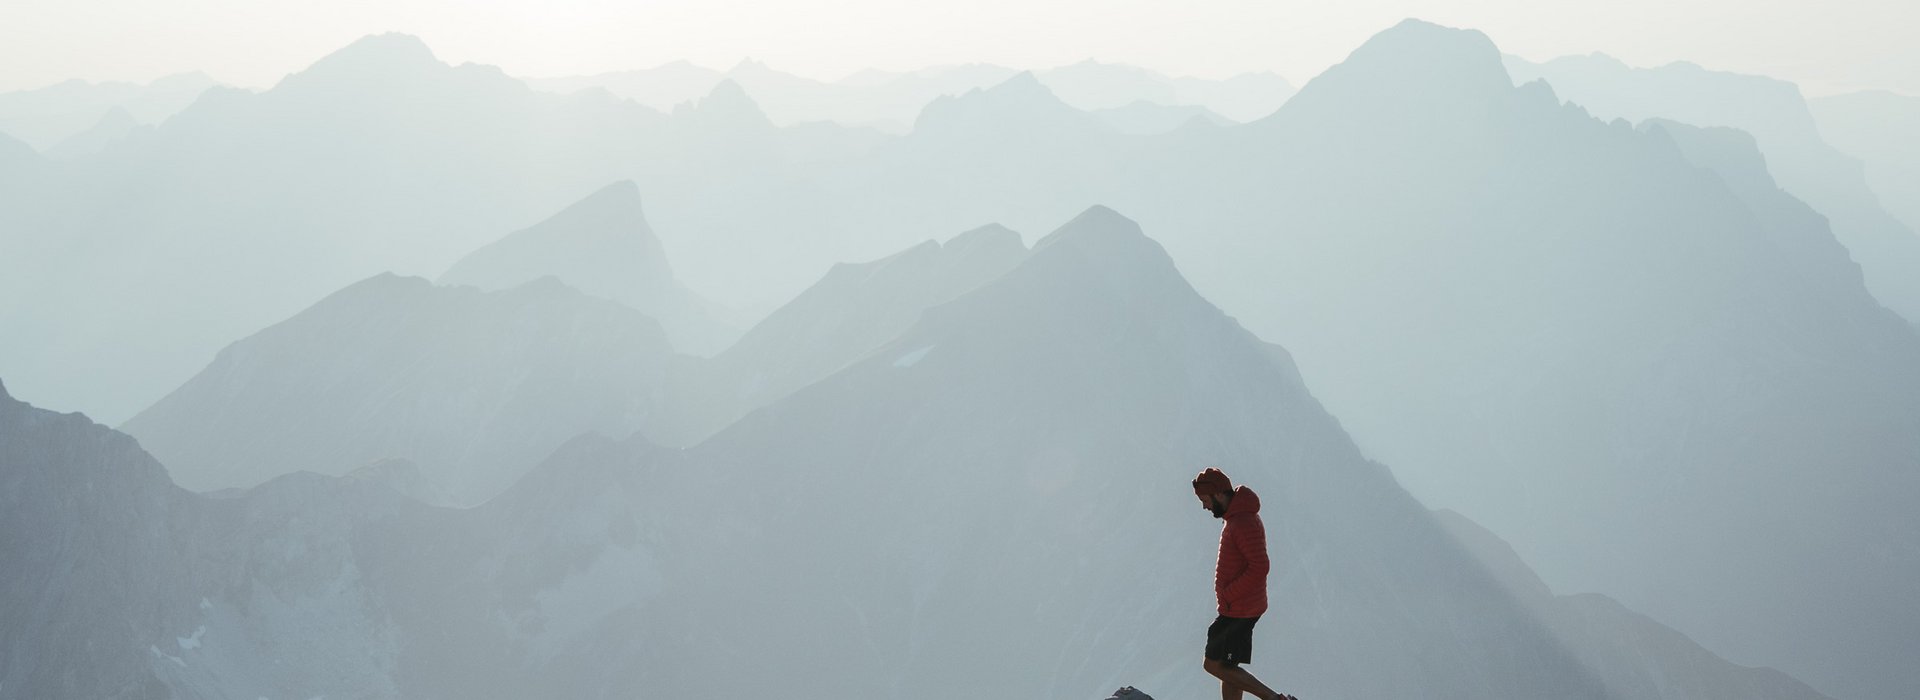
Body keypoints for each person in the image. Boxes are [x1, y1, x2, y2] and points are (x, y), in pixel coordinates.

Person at [1194, 467, 1297, 700]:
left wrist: (1229, 594)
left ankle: (1273, 698)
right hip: (1240, 606)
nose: (1204, 506)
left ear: (1219, 494)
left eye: (1205, 500)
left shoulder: (1242, 522)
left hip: (1239, 609)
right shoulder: (1238, 517)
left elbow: (1260, 566)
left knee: (1213, 664)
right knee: (1227, 668)